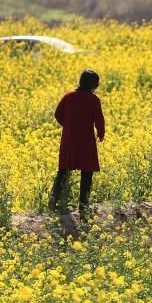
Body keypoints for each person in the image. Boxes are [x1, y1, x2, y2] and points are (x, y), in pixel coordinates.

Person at [48, 69, 105, 220]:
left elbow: (57, 114)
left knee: (64, 170)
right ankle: (83, 206)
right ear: (92, 85)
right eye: (96, 85)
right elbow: (99, 119)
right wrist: (101, 133)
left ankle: (54, 196)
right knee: (87, 172)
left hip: (69, 139)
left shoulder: (68, 96)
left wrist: (68, 126)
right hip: (86, 140)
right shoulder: (93, 100)